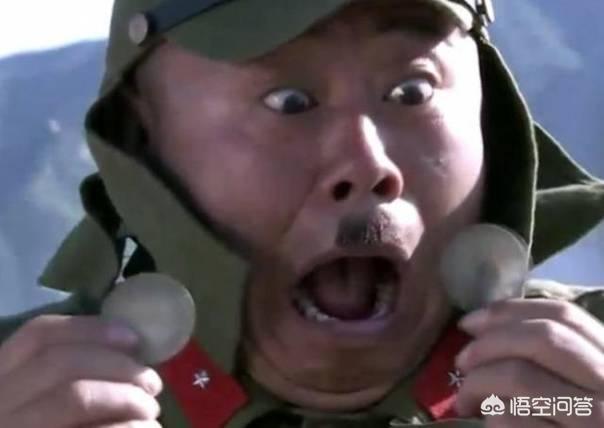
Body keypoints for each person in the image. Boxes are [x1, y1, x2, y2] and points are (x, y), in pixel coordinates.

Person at [0, 0, 603, 426]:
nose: (367, 162)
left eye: (412, 92)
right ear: (141, 139)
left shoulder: (578, 388)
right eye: (289, 102)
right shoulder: (22, 395)